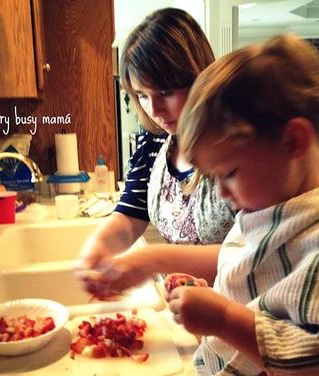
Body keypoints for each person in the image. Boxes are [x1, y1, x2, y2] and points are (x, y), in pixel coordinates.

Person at [83, 34, 319, 375]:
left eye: (229, 173)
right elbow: (250, 270)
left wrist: (223, 318)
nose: (221, 192)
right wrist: (217, 292)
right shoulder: (269, 211)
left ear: (294, 141)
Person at [78, 8, 234, 273]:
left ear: (199, 78)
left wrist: (154, 260)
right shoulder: (153, 143)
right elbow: (130, 217)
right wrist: (96, 248)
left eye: (165, 92)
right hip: (181, 300)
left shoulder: (237, 144)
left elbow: (253, 251)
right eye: (142, 95)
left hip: (237, 308)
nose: (154, 110)